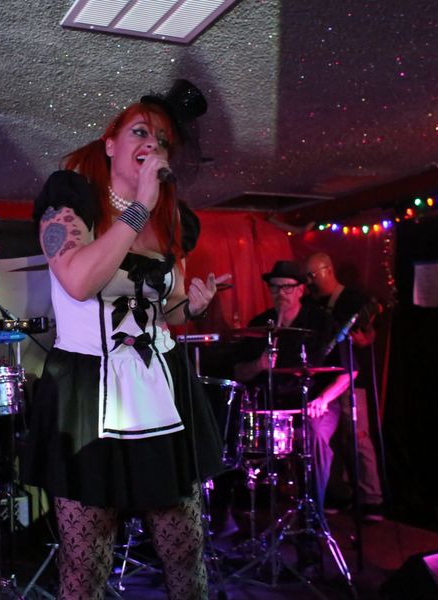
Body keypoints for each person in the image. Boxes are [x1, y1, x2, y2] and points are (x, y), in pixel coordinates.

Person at [20, 79, 230, 600]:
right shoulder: (69, 198)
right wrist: (137, 208)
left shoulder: (173, 219)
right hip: (88, 390)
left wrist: (192, 305)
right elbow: (78, 280)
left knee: (185, 548)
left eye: (162, 139)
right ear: (110, 143)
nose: (152, 143)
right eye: (140, 131)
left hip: (161, 387)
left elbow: (169, 307)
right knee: (86, 559)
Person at [233, 260, 354, 519]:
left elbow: (350, 372)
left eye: (287, 287)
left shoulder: (321, 322)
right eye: (275, 288)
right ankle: (238, 515)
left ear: (300, 290)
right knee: (232, 430)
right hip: (271, 406)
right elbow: (238, 372)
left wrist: (324, 399)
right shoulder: (259, 324)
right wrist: (258, 365)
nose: (281, 293)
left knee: (315, 436)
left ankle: (313, 513)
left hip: (315, 403)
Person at [306, 251, 384, 521]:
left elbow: (371, 327)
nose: (309, 281)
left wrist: (366, 337)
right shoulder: (312, 303)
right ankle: (339, 493)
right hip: (323, 380)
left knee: (358, 437)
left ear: (327, 270)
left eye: (312, 275)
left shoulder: (353, 299)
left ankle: (372, 498)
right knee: (329, 440)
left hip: (351, 379)